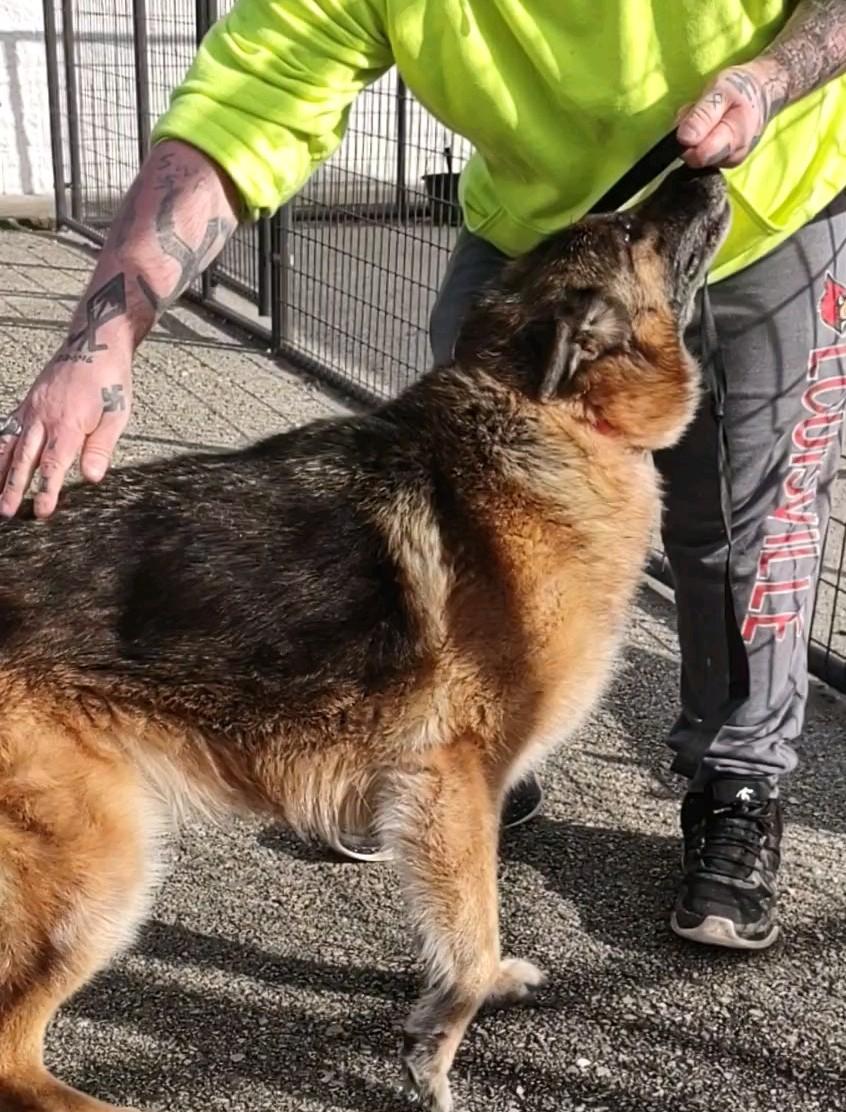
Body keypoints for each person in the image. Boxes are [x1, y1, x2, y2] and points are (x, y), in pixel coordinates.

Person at [4, 2, 846, 946]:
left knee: (740, 526)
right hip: (536, 228)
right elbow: (249, 99)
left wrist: (768, 78)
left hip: (766, 188)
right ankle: (466, 751)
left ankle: (737, 778)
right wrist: (101, 337)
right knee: (457, 500)